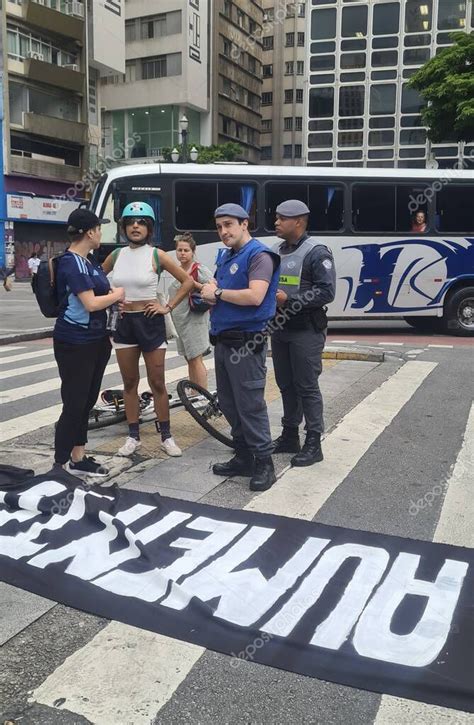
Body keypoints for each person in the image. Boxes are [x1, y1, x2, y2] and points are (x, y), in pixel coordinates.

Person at [102, 201, 193, 458]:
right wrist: (110, 297)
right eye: (130, 222)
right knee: (129, 382)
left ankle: (166, 436)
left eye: (141, 222)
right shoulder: (116, 255)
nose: (135, 226)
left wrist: (168, 307)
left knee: (157, 382)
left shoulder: (157, 255)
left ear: (149, 228)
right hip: (124, 323)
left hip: (151, 321)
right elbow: (96, 280)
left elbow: (187, 281)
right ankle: (133, 436)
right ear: (123, 227)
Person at [201, 203, 280, 492]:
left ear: (244, 224)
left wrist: (218, 292)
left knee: (250, 405)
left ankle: (264, 463)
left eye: (229, 225)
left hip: (247, 343)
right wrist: (211, 295)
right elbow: (221, 292)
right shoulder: (226, 256)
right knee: (230, 404)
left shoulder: (259, 255)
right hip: (224, 341)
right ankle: (244, 455)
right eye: (219, 226)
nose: (223, 231)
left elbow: (256, 296)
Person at [53, 209, 125, 476]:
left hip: (96, 339)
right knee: (74, 402)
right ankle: (59, 464)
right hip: (75, 342)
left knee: (86, 400)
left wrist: (114, 298)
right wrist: (118, 294)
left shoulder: (91, 260)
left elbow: (99, 296)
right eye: (99, 228)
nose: (101, 233)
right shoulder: (73, 263)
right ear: (90, 232)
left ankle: (78, 457)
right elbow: (91, 302)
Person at [271, 199, 336, 467]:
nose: (276, 222)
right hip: (280, 328)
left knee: (307, 387)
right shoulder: (276, 250)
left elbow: (326, 292)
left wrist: (290, 299)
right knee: (286, 385)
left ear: (298, 221)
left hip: (306, 330)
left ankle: (313, 441)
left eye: (281, 218)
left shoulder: (316, 252)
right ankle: (289, 435)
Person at [169, 233, 213, 389]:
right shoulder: (177, 270)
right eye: (179, 250)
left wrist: (193, 284)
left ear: (193, 251)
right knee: (189, 358)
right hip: (180, 321)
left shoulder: (199, 269)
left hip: (194, 319)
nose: (182, 253)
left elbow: (213, 288)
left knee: (196, 358)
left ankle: (203, 393)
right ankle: (195, 393)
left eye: (185, 250)